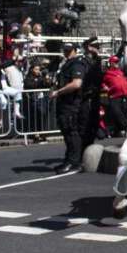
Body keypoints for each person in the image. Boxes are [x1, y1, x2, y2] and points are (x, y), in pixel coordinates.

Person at [50, 42, 88, 173]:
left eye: (69, 50)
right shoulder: (66, 64)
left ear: (75, 50)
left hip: (71, 104)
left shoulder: (77, 63)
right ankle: (68, 159)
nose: (66, 52)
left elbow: (77, 83)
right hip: (64, 103)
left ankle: (74, 162)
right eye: (65, 50)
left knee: (71, 133)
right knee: (67, 133)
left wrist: (59, 92)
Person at [79, 37, 106, 146]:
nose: (97, 49)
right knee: (85, 125)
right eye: (95, 47)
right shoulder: (84, 61)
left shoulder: (96, 61)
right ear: (89, 48)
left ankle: (88, 148)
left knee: (93, 124)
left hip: (95, 97)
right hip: (86, 97)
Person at [102, 55, 127, 137]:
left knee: (125, 112)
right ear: (110, 63)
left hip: (125, 95)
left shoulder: (122, 72)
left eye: (117, 62)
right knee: (117, 113)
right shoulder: (107, 74)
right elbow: (102, 82)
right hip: (114, 96)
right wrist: (105, 87)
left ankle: (121, 130)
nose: (116, 63)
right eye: (114, 62)